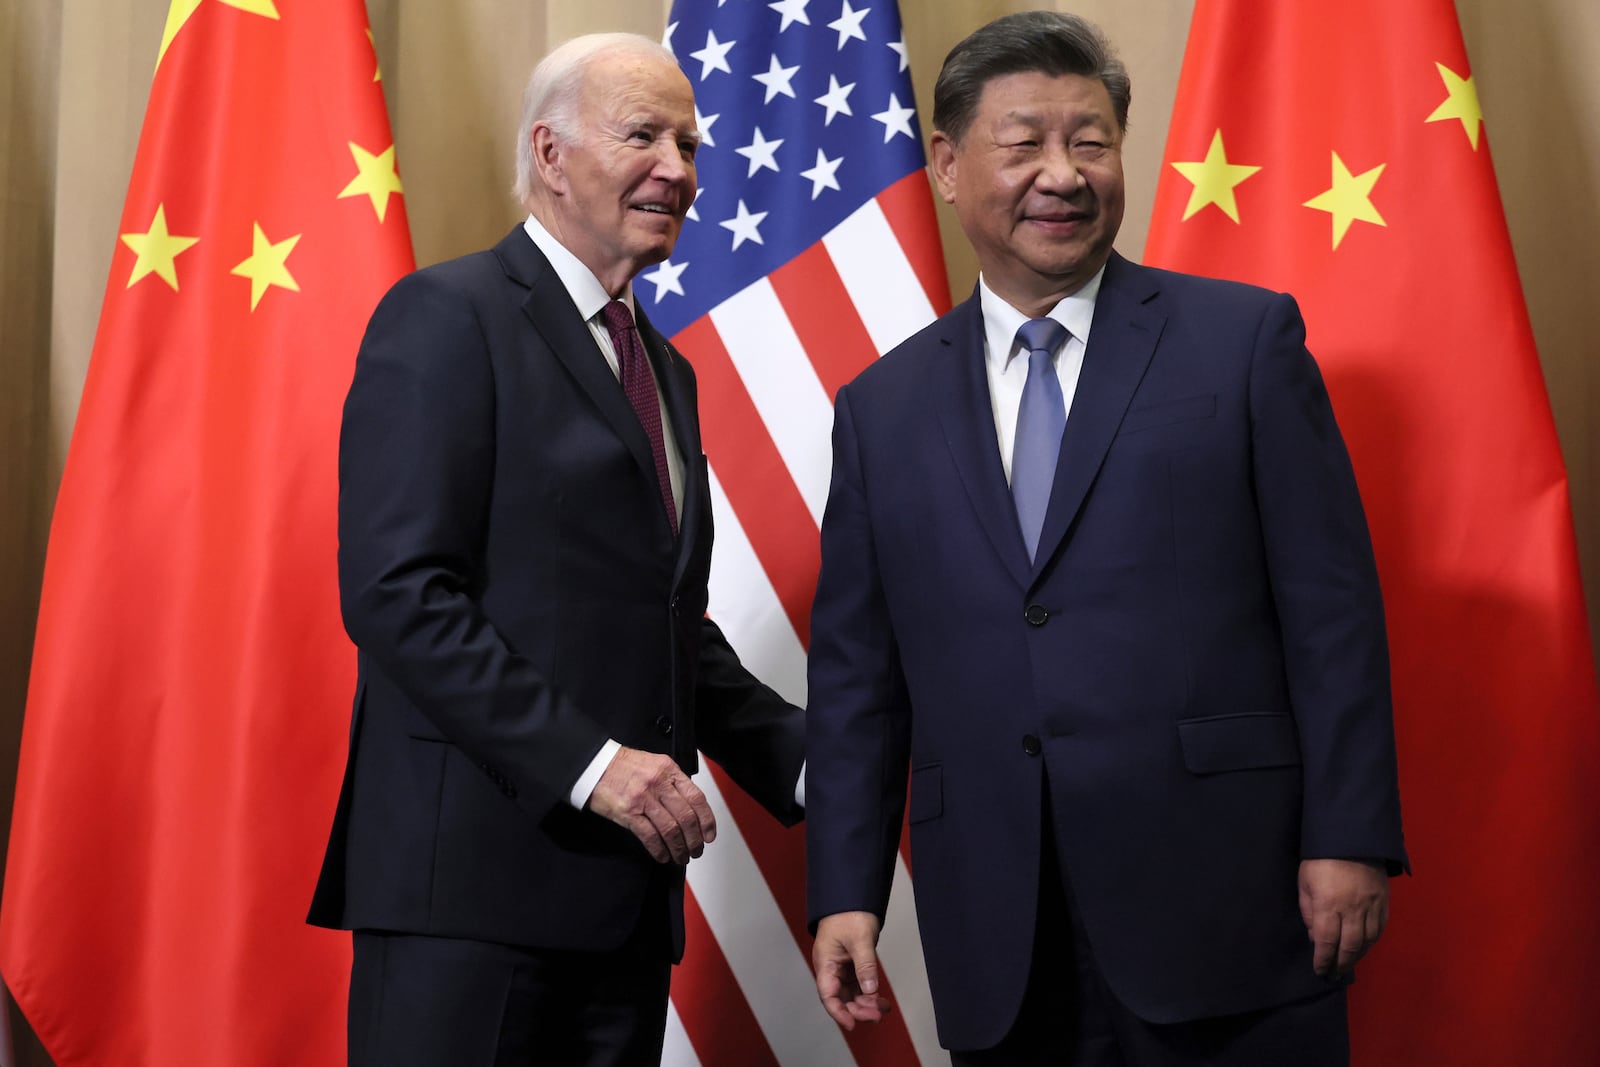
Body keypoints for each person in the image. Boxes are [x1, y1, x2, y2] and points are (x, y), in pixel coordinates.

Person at [804, 11, 1407, 1065]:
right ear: (945, 165)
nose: (1064, 173)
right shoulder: (879, 406)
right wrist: (844, 887)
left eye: (1090, 140)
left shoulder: (1242, 342)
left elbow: (1332, 611)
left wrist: (1348, 832)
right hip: (999, 922)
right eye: (1025, 141)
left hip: (1229, 903)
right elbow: (859, 674)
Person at [307, 33, 805, 1067]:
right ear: (548, 152)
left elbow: (661, 628)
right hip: (469, 904)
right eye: (643, 134)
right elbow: (399, 593)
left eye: (689, 142)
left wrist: (821, 765)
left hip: (618, 912)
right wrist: (593, 767)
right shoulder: (446, 316)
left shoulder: (664, 370)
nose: (679, 167)